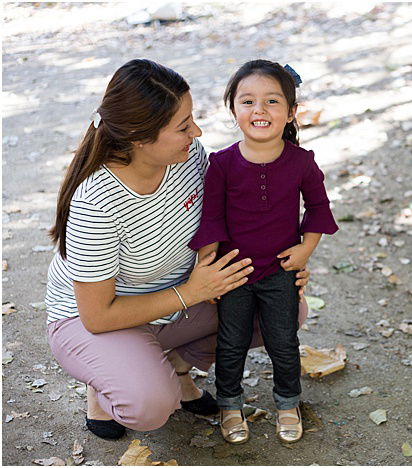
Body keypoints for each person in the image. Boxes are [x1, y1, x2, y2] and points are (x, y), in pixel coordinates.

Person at [44, 58, 310, 440]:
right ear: (138, 136)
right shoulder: (96, 204)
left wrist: (286, 260)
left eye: (193, 119)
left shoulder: (187, 157)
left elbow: (233, 219)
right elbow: (97, 316)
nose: (197, 131)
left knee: (285, 308)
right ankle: (105, 383)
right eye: (184, 126)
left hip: (179, 301)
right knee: (150, 406)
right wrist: (193, 292)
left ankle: (175, 365)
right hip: (100, 320)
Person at [188, 59, 338, 445]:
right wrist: (209, 272)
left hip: (279, 272)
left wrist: (306, 250)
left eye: (272, 101)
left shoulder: (302, 162)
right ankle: (229, 405)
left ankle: (288, 402)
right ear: (233, 110)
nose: (259, 110)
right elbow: (211, 221)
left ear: (290, 112)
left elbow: (319, 208)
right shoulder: (221, 164)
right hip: (233, 273)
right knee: (231, 342)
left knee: (283, 341)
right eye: (248, 101)